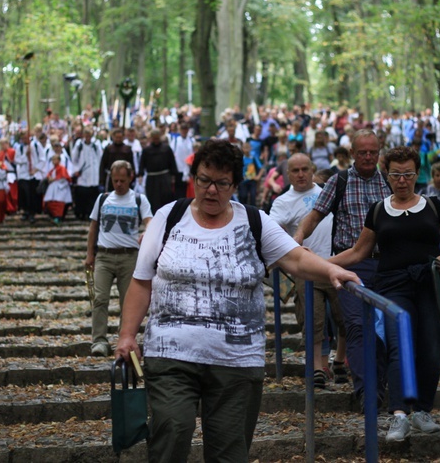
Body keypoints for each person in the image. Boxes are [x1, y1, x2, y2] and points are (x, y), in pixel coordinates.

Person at [115, 139, 360, 462]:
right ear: (194, 178)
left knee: (229, 451)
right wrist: (127, 335)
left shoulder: (254, 221)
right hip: (171, 354)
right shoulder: (168, 217)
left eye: (221, 183)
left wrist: (331, 270)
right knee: (173, 429)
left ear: (235, 185)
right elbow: (142, 281)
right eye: (204, 180)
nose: (211, 190)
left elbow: (296, 259)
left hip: (236, 361)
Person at [329, 145, 440, 442]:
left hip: (431, 282)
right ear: (387, 175)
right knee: (398, 343)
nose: (402, 180)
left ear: (418, 175)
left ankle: (421, 410)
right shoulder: (379, 210)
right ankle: (399, 415)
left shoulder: (433, 206)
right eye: (396, 174)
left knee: (431, 345)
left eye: (407, 174)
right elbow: (358, 252)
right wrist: (320, 263)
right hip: (393, 285)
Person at [294, 129, 390, 409]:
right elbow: (314, 217)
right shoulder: (340, 181)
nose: (369, 157)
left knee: (386, 329)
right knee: (358, 327)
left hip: (387, 265)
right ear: (352, 154)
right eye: (363, 152)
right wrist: (295, 244)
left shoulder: (389, 181)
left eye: (373, 152)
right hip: (352, 264)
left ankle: (382, 384)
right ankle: (366, 393)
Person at [270, 153, 347, 389]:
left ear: (313, 170)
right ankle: (316, 368)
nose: (301, 174)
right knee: (312, 320)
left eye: (305, 169)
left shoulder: (328, 191)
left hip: (338, 262)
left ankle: (341, 361)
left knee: (345, 318)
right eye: (295, 170)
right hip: (307, 269)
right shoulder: (282, 202)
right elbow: (272, 232)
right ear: (287, 175)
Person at [85, 160, 153, 357]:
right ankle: (99, 340)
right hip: (104, 256)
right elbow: (93, 227)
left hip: (129, 256)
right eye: (115, 180)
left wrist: (147, 232)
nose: (119, 184)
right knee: (100, 298)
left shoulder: (139, 199)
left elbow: (150, 221)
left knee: (128, 301)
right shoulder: (103, 199)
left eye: (123, 180)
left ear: (130, 178)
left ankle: (124, 339)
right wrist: (90, 254)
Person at [138, 129, 177, 213]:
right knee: (153, 199)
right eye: (154, 138)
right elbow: (142, 164)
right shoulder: (146, 150)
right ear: (151, 138)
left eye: (157, 138)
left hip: (164, 178)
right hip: (152, 179)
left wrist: (173, 175)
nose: (156, 140)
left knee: (166, 197)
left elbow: (172, 162)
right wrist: (140, 175)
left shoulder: (166, 148)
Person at [14, 131, 45, 223]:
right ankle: (26, 211)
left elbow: (42, 159)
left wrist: (35, 170)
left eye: (25, 138)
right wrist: (25, 156)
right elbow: (17, 160)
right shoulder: (19, 148)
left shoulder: (36, 145)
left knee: (33, 194)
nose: (24, 140)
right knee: (25, 194)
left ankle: (32, 212)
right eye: (22, 138)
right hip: (23, 174)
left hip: (34, 174)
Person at [72, 128, 103, 220]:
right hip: (83, 173)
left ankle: (91, 213)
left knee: (92, 196)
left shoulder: (96, 144)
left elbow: (100, 157)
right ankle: (81, 213)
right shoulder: (79, 144)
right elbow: (74, 158)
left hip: (93, 173)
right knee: (82, 195)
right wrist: (76, 169)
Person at [44, 154, 73, 224]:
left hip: (60, 188)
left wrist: (54, 179)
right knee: (50, 203)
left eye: (55, 159)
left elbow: (64, 178)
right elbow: (49, 175)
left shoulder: (62, 168)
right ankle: (54, 217)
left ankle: (58, 218)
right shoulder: (53, 169)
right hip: (53, 189)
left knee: (59, 204)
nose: (54, 161)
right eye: (53, 159)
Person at [0, 138, 18, 214]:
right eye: (2, 144)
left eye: (4, 144)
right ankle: (8, 208)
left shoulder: (12, 151)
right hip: (4, 174)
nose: (3, 146)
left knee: (13, 192)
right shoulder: (0, 153)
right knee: (6, 193)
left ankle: (14, 207)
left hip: (12, 174)